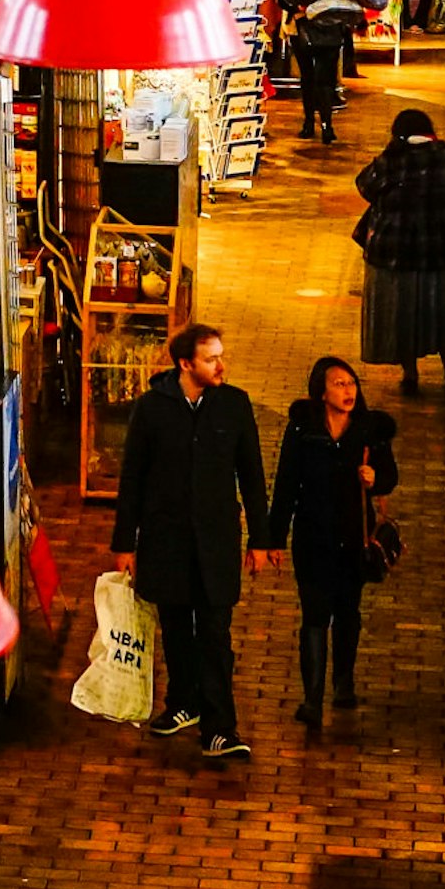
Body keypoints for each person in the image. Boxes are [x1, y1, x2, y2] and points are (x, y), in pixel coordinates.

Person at [111, 320, 272, 761]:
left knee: (216, 636)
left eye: (221, 354)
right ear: (186, 363)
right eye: (211, 357)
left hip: (217, 542)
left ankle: (221, 727)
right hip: (167, 541)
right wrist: (125, 543)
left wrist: (261, 538)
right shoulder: (152, 408)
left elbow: (252, 476)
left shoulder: (234, 406)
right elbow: (133, 478)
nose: (222, 364)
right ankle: (183, 703)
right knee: (177, 629)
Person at [263, 358, 400, 724]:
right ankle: (312, 698)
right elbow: (286, 485)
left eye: (351, 383)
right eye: (338, 384)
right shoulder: (303, 432)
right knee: (314, 615)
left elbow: (389, 476)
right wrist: (273, 537)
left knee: (348, 611)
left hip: (354, 537)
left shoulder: (369, 431)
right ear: (322, 392)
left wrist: (375, 479)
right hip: (313, 537)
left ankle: (344, 683)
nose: (348, 391)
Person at [353, 106, 445, 395]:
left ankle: (410, 376)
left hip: (394, 257)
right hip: (443, 255)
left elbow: (365, 186)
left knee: (403, 318)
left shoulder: (390, 163)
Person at [293, 0, 362, 143]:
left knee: (310, 79)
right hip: (329, 27)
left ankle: (311, 123)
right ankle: (325, 125)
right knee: (323, 81)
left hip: (306, 24)